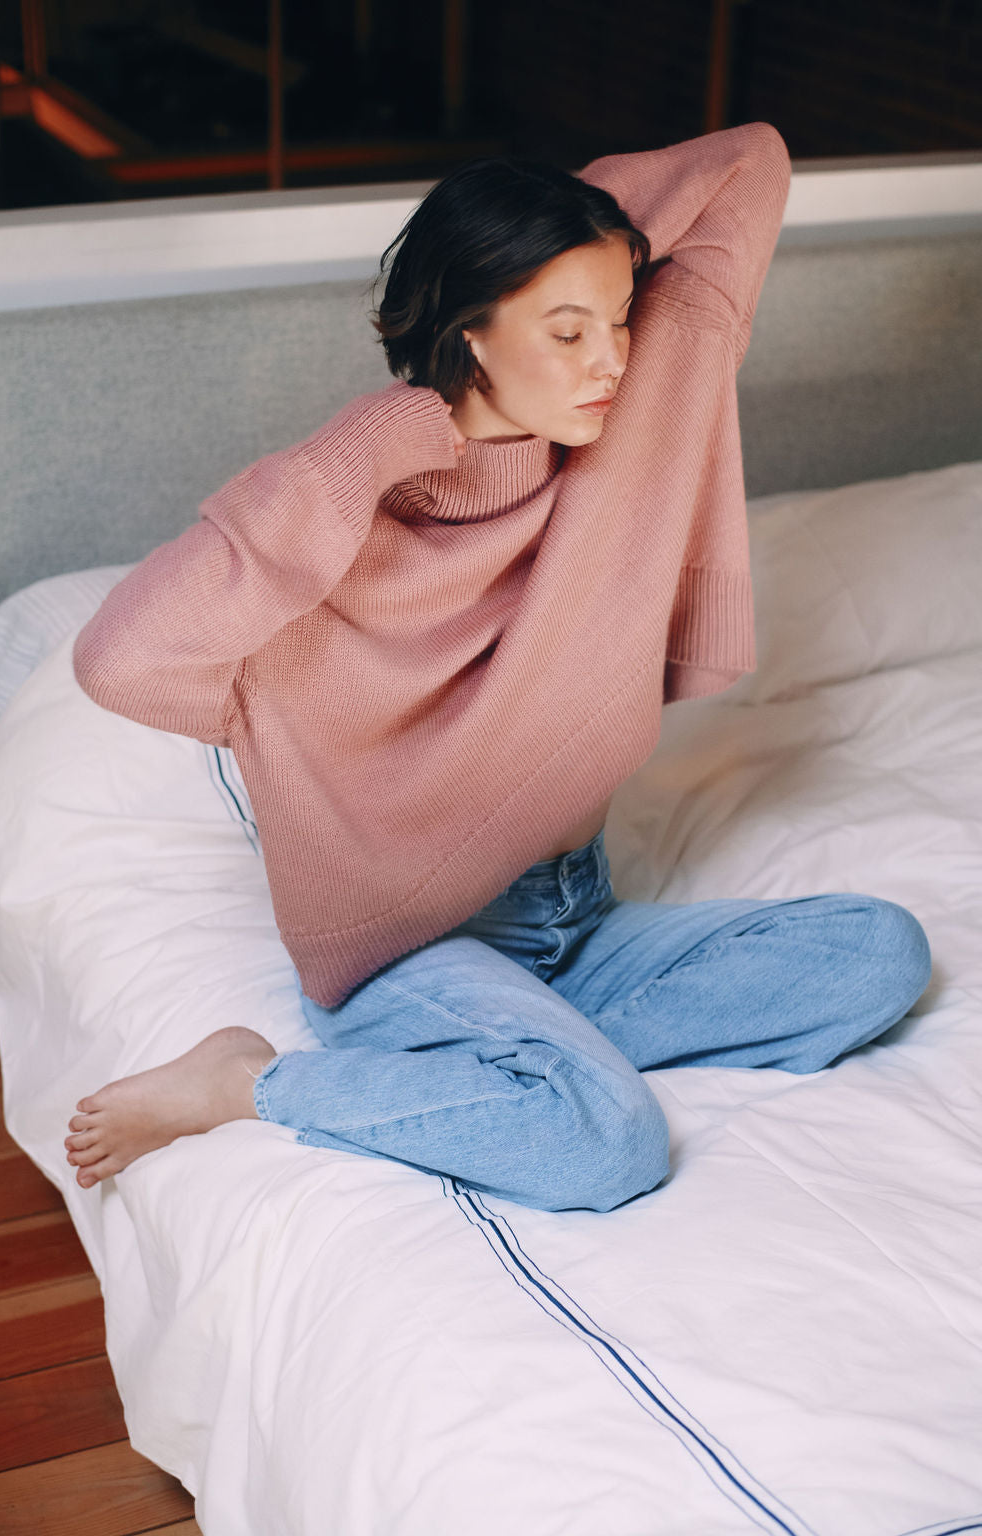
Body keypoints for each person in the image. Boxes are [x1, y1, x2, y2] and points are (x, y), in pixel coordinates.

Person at [64, 123, 931, 1212]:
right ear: (469, 330)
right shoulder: (348, 518)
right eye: (567, 331)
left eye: (619, 318)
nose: (612, 359)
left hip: (580, 921)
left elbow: (749, 161)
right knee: (603, 1140)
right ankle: (249, 1082)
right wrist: (375, 439)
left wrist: (581, 240)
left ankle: (529, 1051)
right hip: (413, 951)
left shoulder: (629, 417)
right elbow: (120, 659)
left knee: (876, 956)